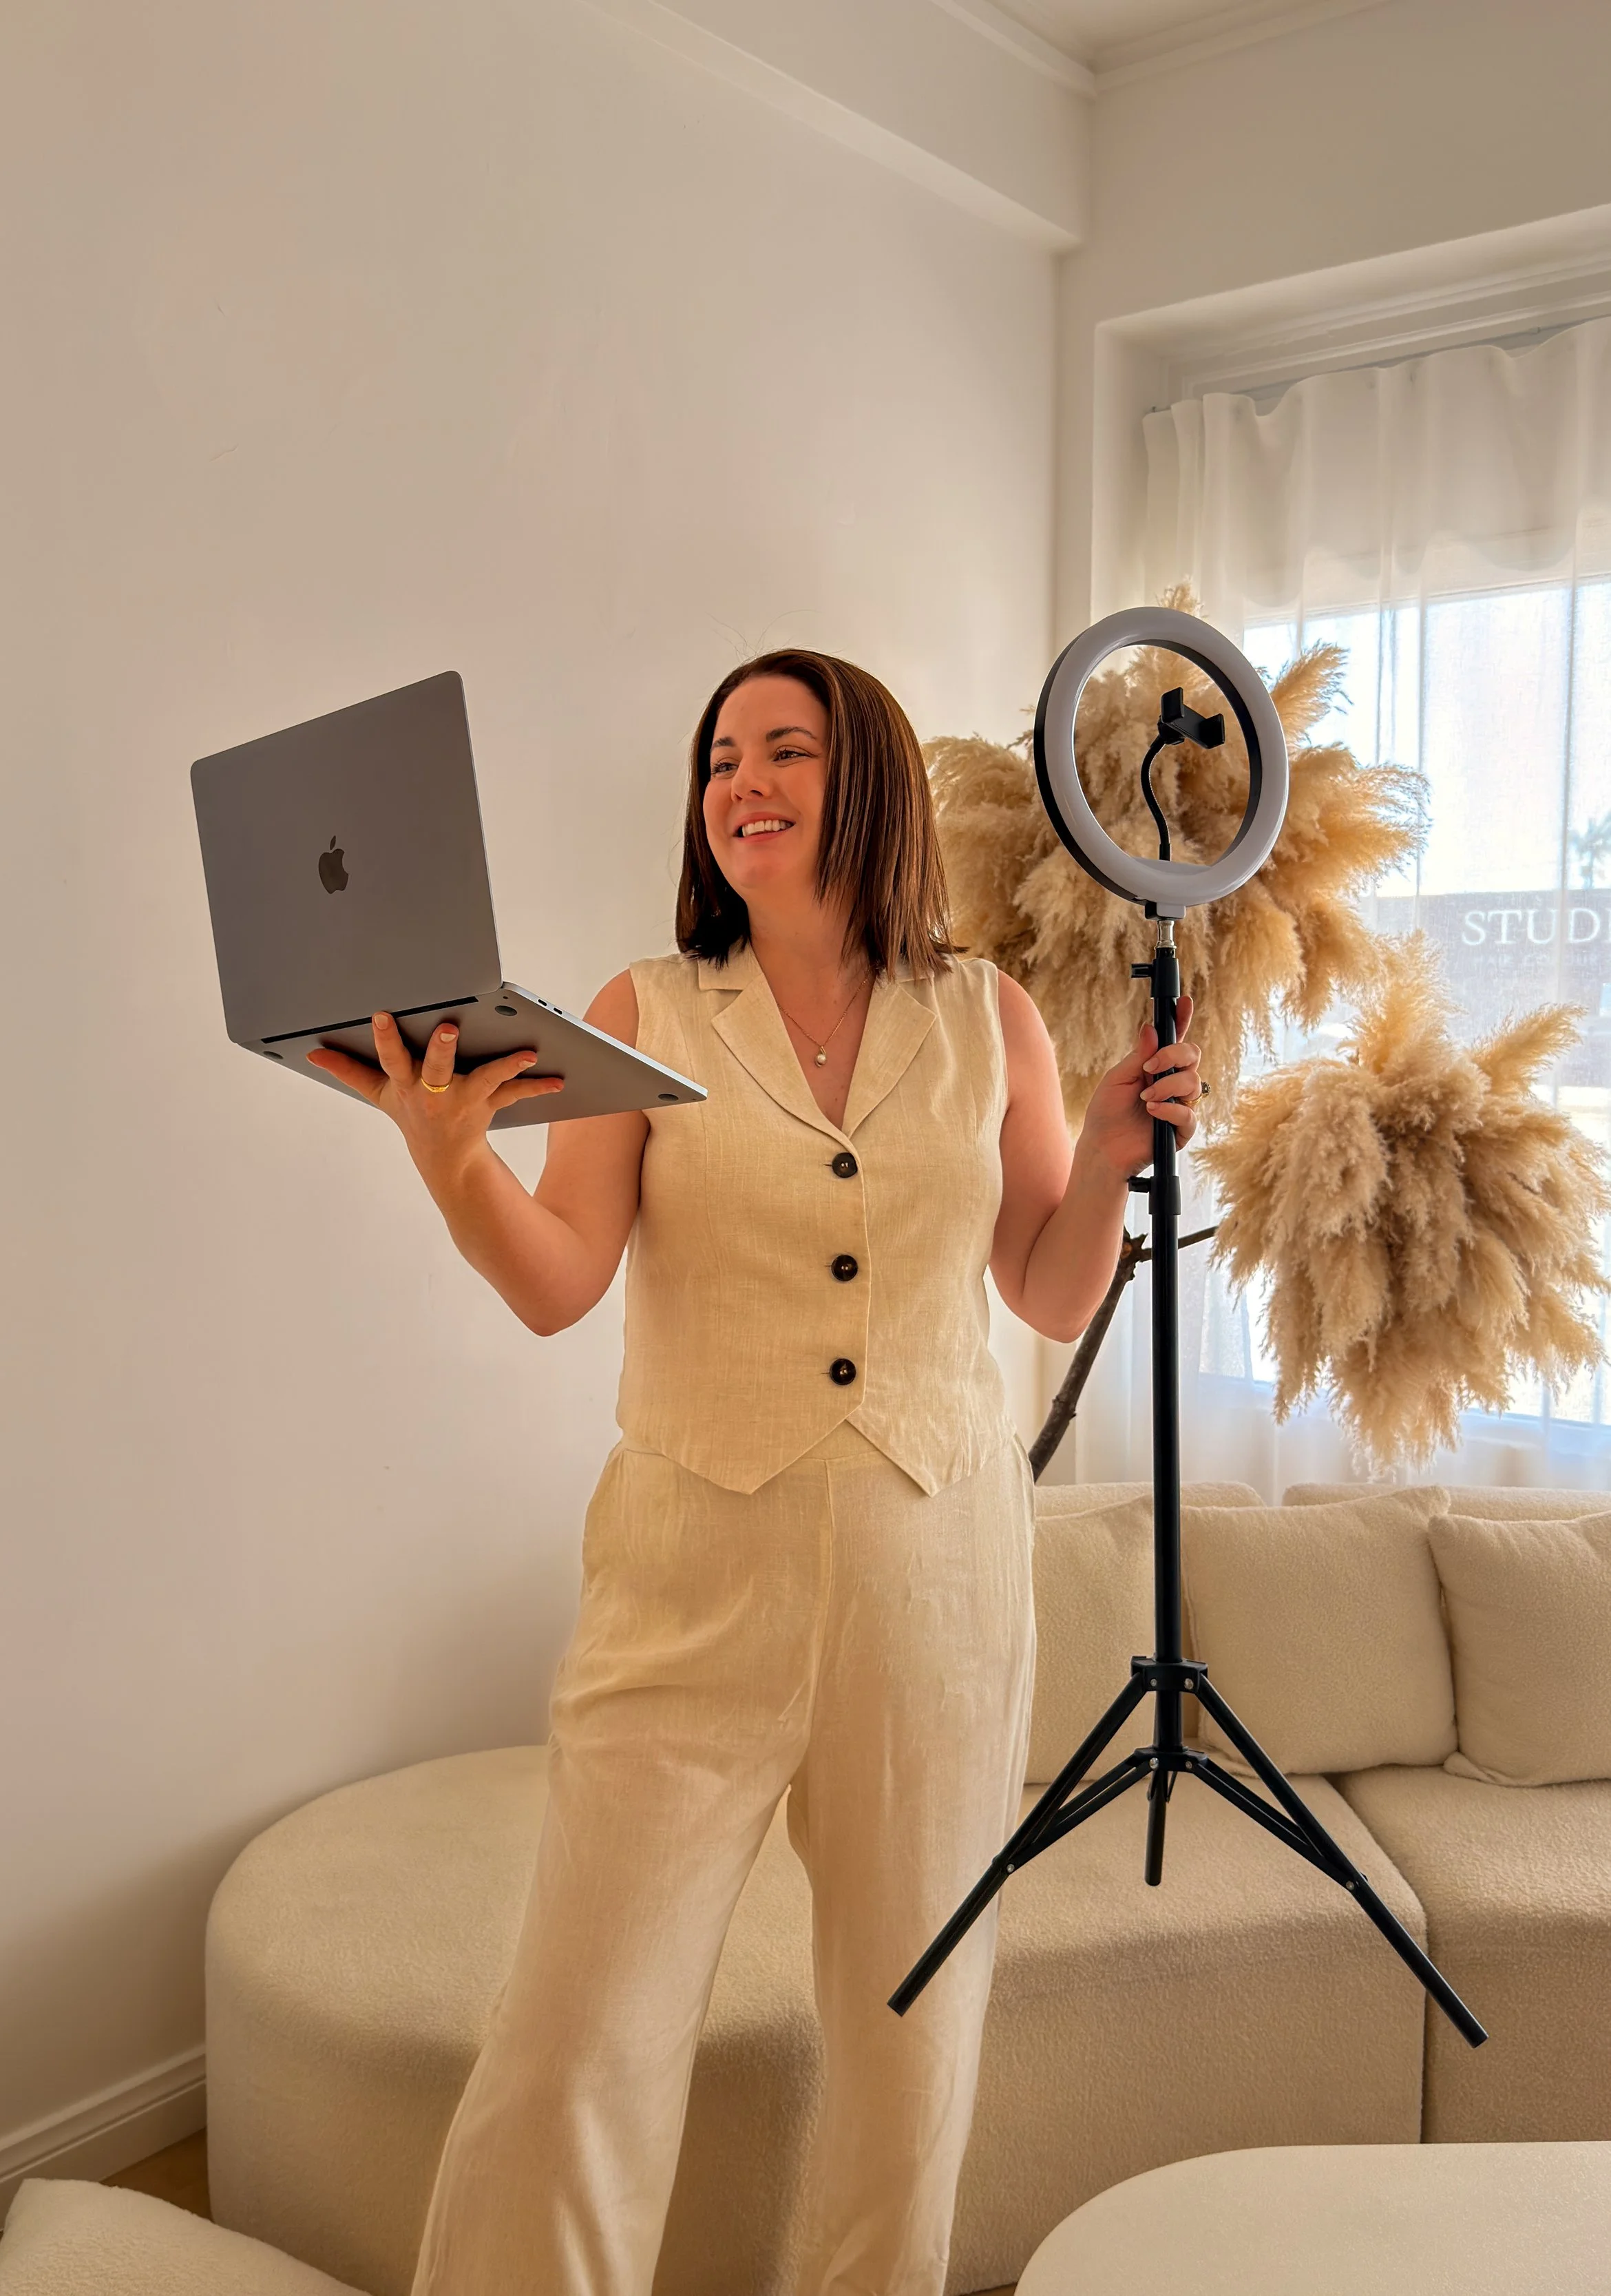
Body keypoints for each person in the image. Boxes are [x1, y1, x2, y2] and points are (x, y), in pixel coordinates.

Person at [309, 649, 1201, 2296]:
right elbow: (561, 1274)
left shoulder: (986, 1011)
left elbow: (1050, 1287)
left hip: (936, 1594)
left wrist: (1102, 1149)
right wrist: (450, 1166)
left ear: (863, 777)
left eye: (784, 748)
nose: (742, 783)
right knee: (577, 2038)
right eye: (720, 758)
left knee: (905, 2056)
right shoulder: (642, 1009)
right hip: (685, 1583)